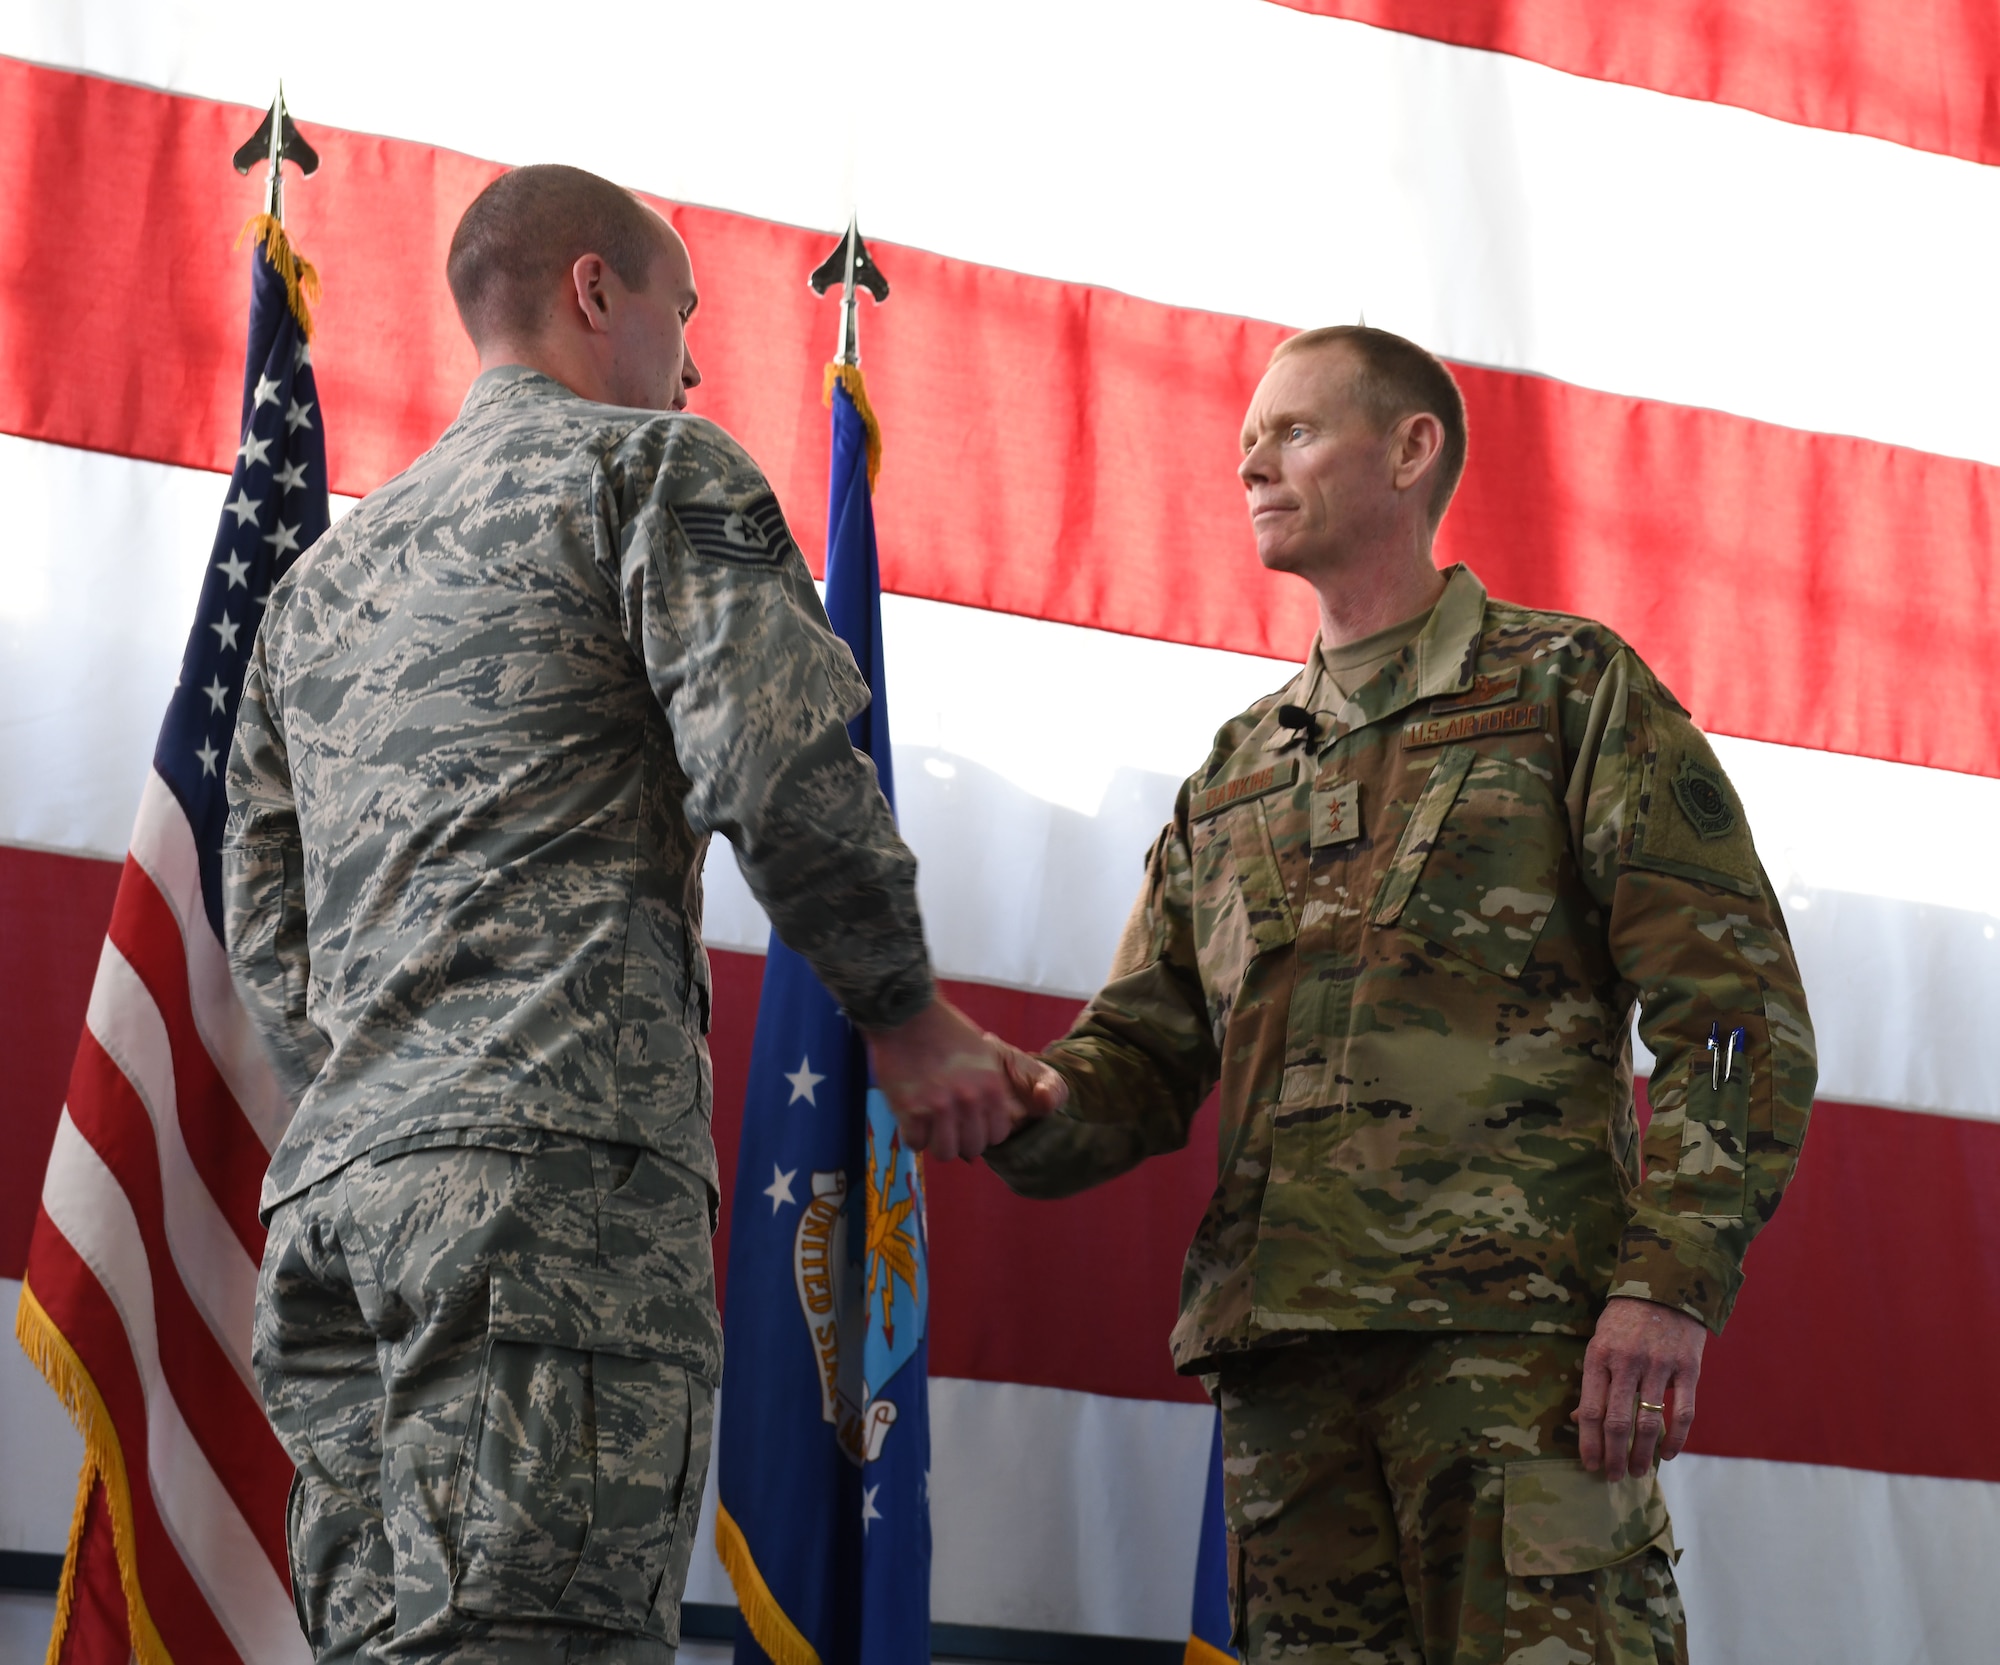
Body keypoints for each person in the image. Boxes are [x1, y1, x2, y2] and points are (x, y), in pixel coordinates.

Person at [224, 164, 1021, 1664]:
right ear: (597, 290)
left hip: (336, 1221)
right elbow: (777, 761)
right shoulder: (654, 473)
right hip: (548, 1208)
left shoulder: (314, 592)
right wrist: (908, 1020)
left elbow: (267, 922)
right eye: (684, 311)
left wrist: (392, 1094)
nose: (698, 360)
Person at [986, 326, 1817, 1664]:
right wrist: (1011, 1100)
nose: (1249, 457)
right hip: (1289, 1388)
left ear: (1413, 448)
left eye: (1293, 429)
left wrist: (1669, 1283)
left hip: (1516, 1365)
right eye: (1248, 437)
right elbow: (1140, 1057)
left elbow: (1733, 1015)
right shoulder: (1235, 773)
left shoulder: (1569, 692)